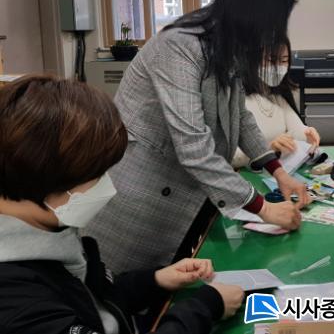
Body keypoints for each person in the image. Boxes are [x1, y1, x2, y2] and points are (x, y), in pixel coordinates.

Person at [85, 0, 311, 274]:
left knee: (175, 281)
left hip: (189, 194)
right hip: (142, 197)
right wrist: (264, 209)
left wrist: (279, 173)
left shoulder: (227, 47)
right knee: (125, 287)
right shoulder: (179, 47)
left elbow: (240, 117)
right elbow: (193, 147)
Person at [0, 75, 245, 334]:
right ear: (49, 180)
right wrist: (206, 307)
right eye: (97, 175)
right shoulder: (14, 299)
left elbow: (93, 297)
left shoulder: (49, 229)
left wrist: (155, 281)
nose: (107, 184)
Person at [232, 39, 320, 169]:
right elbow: (229, 156)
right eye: (271, 60)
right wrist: (267, 149)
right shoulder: (237, 100)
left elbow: (298, 131)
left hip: (276, 172)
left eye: (284, 61)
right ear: (252, 60)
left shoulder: (277, 97)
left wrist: (308, 134)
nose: (278, 67)